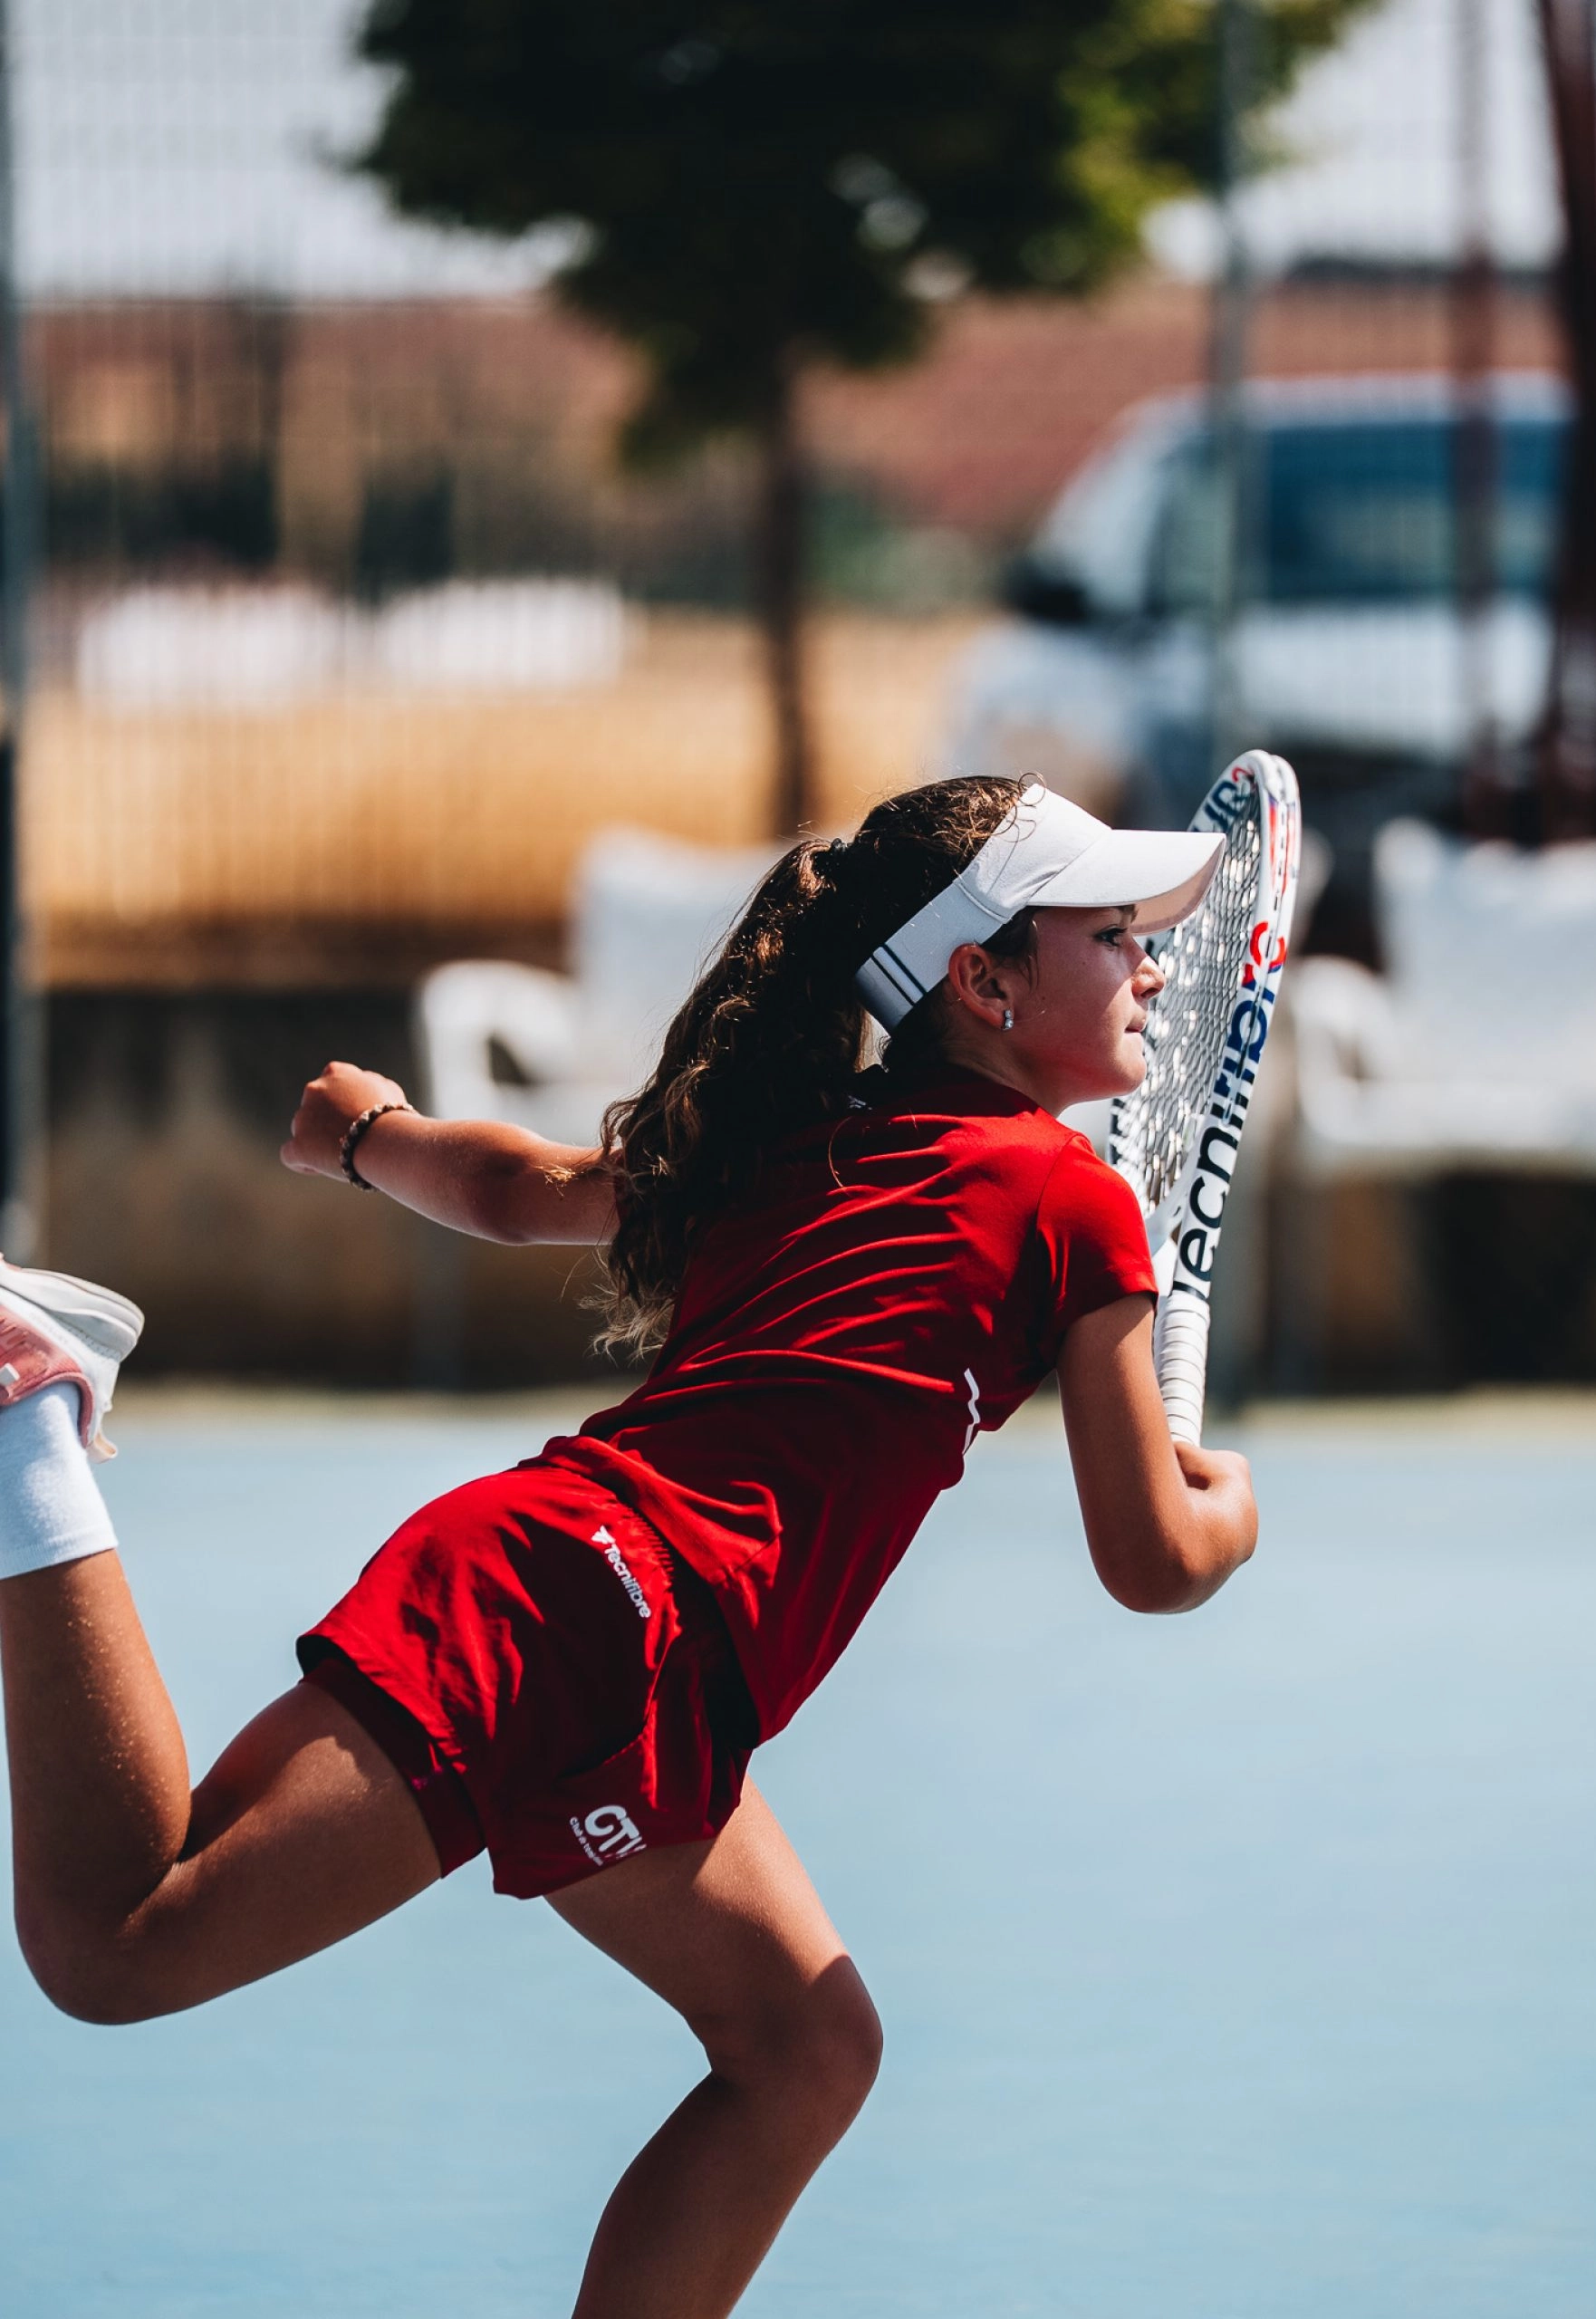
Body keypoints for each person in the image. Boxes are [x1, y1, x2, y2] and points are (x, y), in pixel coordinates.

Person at [0, 773, 1258, 2319]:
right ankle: (26, 1421)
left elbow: (518, 1191)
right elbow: (1153, 1556)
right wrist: (1232, 1511)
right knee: (120, 1944)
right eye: (1115, 933)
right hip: (590, 1613)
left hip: (633, 1646)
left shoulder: (797, 1133)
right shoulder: (1077, 1201)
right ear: (981, 982)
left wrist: (369, 1138)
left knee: (803, 2048)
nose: (1152, 967)